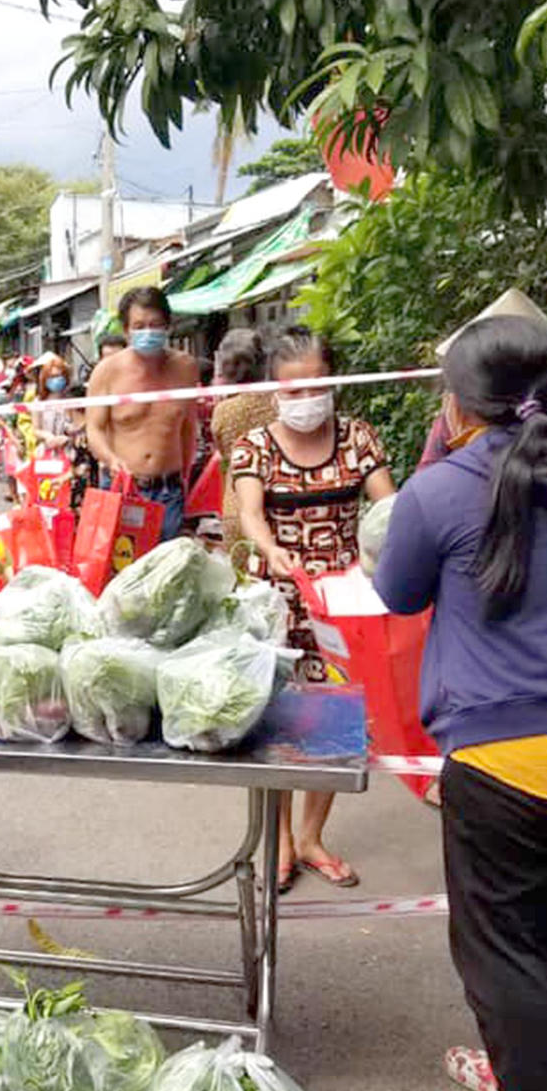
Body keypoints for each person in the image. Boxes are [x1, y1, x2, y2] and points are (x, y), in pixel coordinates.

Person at [374, 316, 547, 1091]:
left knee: (508, 959)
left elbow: (395, 591)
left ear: (453, 404)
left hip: (505, 762)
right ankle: (531, 1086)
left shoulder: (443, 488)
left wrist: (433, 465)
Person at [232, 326, 395, 890]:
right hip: (278, 603)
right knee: (273, 723)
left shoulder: (359, 440)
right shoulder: (254, 445)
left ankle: (311, 838)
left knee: (334, 722)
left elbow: (389, 511)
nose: (305, 399)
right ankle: (276, 843)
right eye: (292, 389)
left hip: (343, 606)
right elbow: (251, 513)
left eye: (316, 385)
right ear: (274, 389)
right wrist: (270, 547)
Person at [84, 287, 200, 539]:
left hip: (170, 491)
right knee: (121, 568)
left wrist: (187, 477)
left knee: (167, 569)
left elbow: (189, 427)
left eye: (155, 324)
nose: (148, 332)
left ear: (168, 326)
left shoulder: (185, 368)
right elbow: (94, 428)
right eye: (139, 326)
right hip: (123, 489)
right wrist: (111, 460)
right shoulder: (107, 371)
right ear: (126, 330)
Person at [209, 329, 277, 551]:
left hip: (237, 501)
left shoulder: (224, 411)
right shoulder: (279, 401)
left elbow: (221, 447)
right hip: (278, 498)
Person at [31, 353, 79, 458]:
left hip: (69, 452)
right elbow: (35, 429)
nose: (57, 380)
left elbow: (77, 424)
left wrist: (67, 436)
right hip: (45, 451)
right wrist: (48, 436)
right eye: (52, 377)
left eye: (59, 376)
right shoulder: (38, 402)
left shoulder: (71, 400)